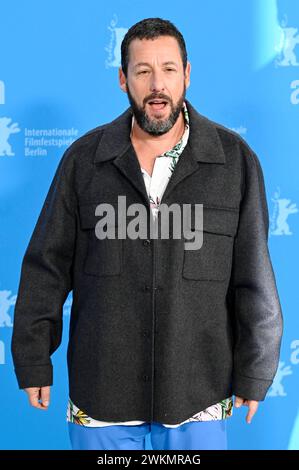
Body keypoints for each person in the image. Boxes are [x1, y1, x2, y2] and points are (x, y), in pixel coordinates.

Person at [11, 17, 283, 451]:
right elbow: (46, 268)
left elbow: (255, 279)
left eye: (169, 69)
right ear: (123, 79)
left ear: (187, 74)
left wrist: (256, 367)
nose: (158, 85)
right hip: (100, 399)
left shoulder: (235, 162)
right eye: (143, 71)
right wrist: (32, 359)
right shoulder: (83, 162)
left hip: (199, 399)